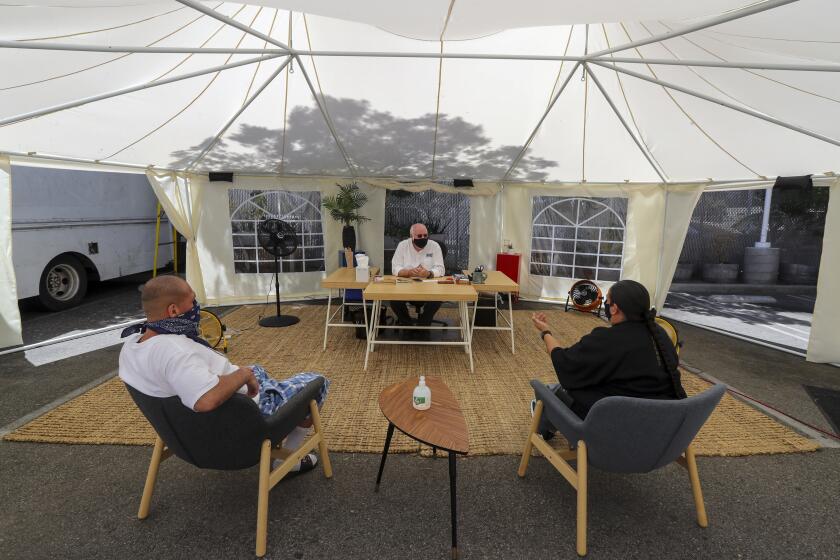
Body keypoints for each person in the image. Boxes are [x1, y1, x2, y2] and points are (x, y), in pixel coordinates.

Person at [119, 275, 328, 474]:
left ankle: (267, 385)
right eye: (192, 301)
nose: (196, 307)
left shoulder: (131, 346)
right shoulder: (176, 353)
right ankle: (286, 459)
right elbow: (206, 400)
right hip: (244, 422)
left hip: (182, 433)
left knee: (257, 369)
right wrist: (244, 375)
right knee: (316, 383)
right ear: (173, 310)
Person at [530, 279, 686, 432]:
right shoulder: (660, 335)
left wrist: (545, 332)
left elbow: (564, 362)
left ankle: (545, 424)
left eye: (607, 301)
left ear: (614, 308)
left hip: (616, 426)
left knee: (556, 391)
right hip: (660, 426)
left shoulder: (606, 340)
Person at [390, 223, 446, 330]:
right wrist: (408, 272)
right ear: (412, 236)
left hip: (429, 286)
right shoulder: (403, 245)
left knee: (437, 299)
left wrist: (429, 273)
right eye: (419, 236)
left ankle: (424, 325)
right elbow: (395, 267)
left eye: (425, 235)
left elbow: (441, 268)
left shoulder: (434, 246)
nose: (423, 238)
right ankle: (407, 325)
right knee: (394, 300)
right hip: (406, 285)